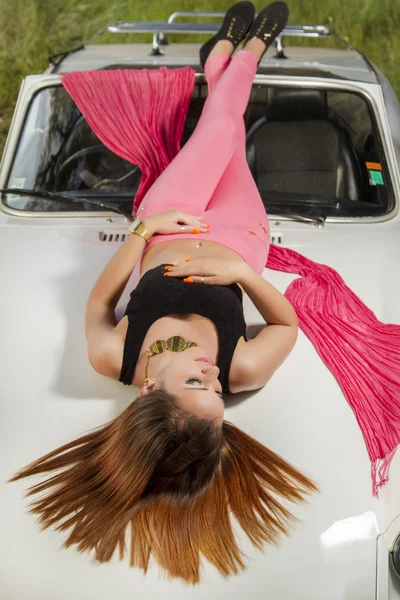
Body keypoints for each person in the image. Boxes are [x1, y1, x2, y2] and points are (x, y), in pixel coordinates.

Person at [10, 1, 319, 584]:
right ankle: (222, 66)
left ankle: (239, 55)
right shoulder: (242, 364)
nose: (216, 376)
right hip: (240, 237)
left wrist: (144, 232)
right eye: (221, 396)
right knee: (228, 138)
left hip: (168, 218)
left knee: (224, 128)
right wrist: (246, 276)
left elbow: (99, 303)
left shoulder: (114, 357)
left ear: (151, 387)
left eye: (197, 382)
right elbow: (287, 327)